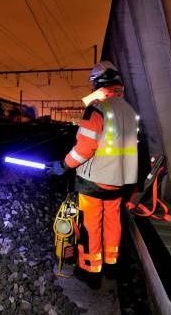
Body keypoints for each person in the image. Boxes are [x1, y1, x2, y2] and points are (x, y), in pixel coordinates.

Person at [48, 61, 139, 288]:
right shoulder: (128, 110)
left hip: (94, 182)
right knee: (113, 223)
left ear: (98, 83)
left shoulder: (98, 109)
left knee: (90, 226)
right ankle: (111, 267)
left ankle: (91, 272)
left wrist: (64, 165)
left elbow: (84, 149)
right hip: (118, 183)